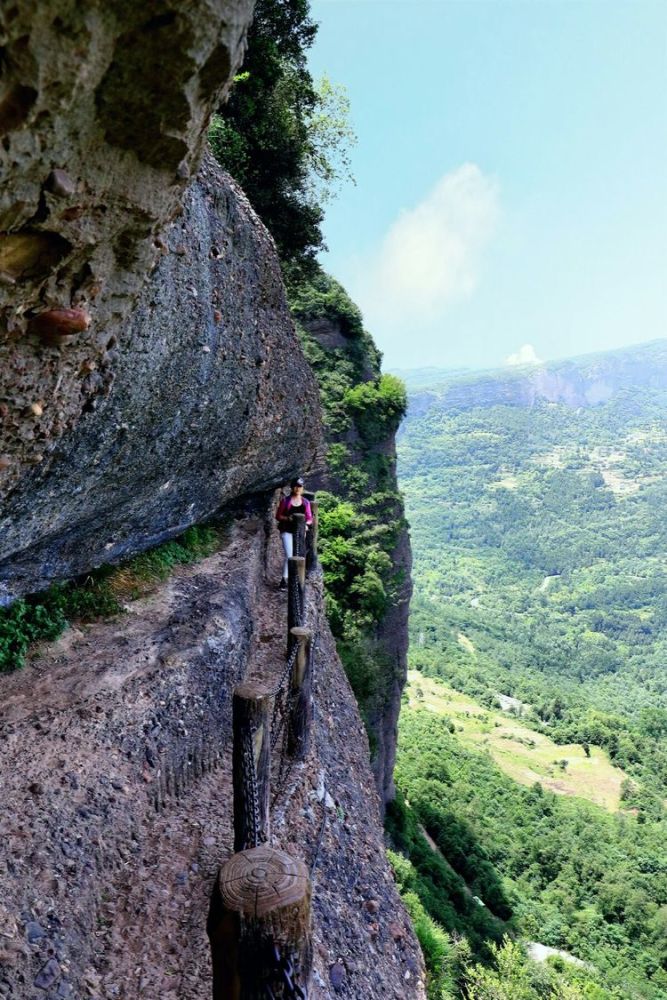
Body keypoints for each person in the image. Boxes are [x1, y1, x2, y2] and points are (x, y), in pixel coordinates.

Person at [276, 477, 313, 589]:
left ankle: (293, 578)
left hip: (299, 532)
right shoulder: (286, 501)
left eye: (300, 486)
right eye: (296, 486)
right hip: (287, 531)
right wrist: (288, 518)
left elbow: (309, 518)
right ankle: (285, 580)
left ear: (302, 488)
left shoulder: (305, 502)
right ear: (292, 487)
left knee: (298, 555)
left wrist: (306, 524)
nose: (298, 488)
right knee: (290, 556)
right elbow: (278, 516)